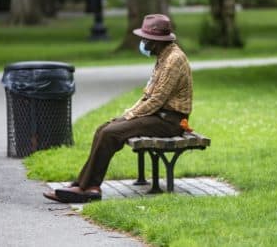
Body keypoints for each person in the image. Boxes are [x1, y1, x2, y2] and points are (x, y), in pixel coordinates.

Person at [43, 14, 193, 203]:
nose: (142, 42)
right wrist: (126, 115)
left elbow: (156, 99)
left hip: (170, 121)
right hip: (158, 116)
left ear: (155, 41)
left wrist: (128, 117)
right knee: (103, 129)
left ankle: (85, 187)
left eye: (145, 38)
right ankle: (86, 186)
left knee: (110, 133)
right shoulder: (164, 56)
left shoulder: (173, 60)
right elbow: (148, 95)